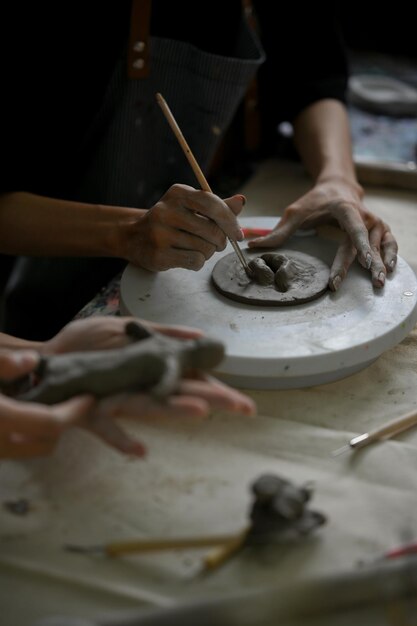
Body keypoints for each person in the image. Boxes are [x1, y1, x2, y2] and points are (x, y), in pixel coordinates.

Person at [0, 1, 397, 341]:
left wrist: (337, 180)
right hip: (69, 273)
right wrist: (129, 233)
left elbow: (314, 78)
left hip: (237, 202)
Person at [0, 315, 256, 459]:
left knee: (59, 366)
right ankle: (24, 402)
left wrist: (41, 352)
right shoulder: (173, 360)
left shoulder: (165, 344)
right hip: (96, 379)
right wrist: (158, 395)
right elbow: (164, 385)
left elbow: (136, 329)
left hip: (87, 360)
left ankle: (39, 369)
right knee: (58, 387)